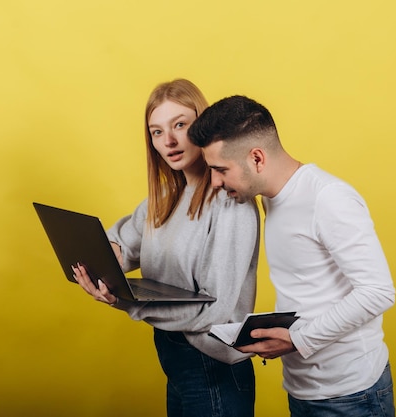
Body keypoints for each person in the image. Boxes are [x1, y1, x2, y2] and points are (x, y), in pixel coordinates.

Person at [187, 95, 396, 417]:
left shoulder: (328, 198)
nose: (214, 182)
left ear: (257, 158)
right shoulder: (269, 198)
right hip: (303, 388)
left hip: (351, 395)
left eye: (220, 169)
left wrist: (298, 339)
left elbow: (378, 292)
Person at [72, 80, 260, 417]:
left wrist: (127, 303)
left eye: (180, 125)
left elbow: (216, 310)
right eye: (157, 132)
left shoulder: (231, 202)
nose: (169, 141)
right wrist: (107, 256)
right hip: (174, 356)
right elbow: (123, 243)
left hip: (213, 364)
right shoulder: (160, 201)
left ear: (202, 126)